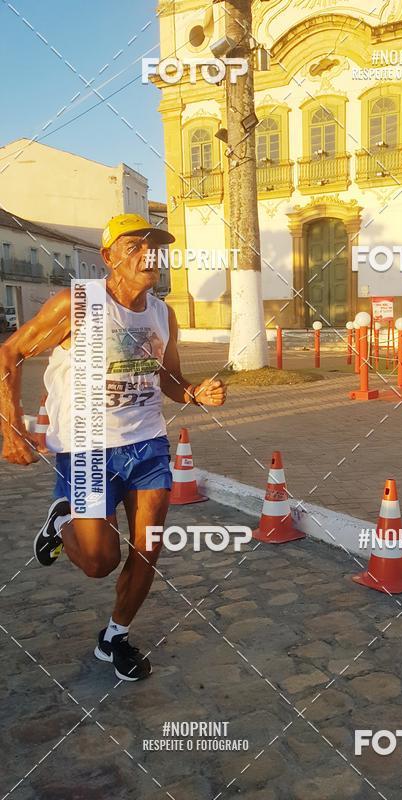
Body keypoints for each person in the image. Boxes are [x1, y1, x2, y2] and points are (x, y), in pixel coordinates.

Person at [0, 213, 226, 681]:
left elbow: (167, 375)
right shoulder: (77, 303)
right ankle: (61, 518)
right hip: (86, 448)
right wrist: (9, 430)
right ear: (108, 257)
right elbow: (9, 352)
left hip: (148, 447)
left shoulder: (164, 314)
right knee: (101, 562)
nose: (148, 254)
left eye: (155, 246)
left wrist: (193, 392)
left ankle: (114, 639)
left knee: (148, 549)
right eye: (134, 245)